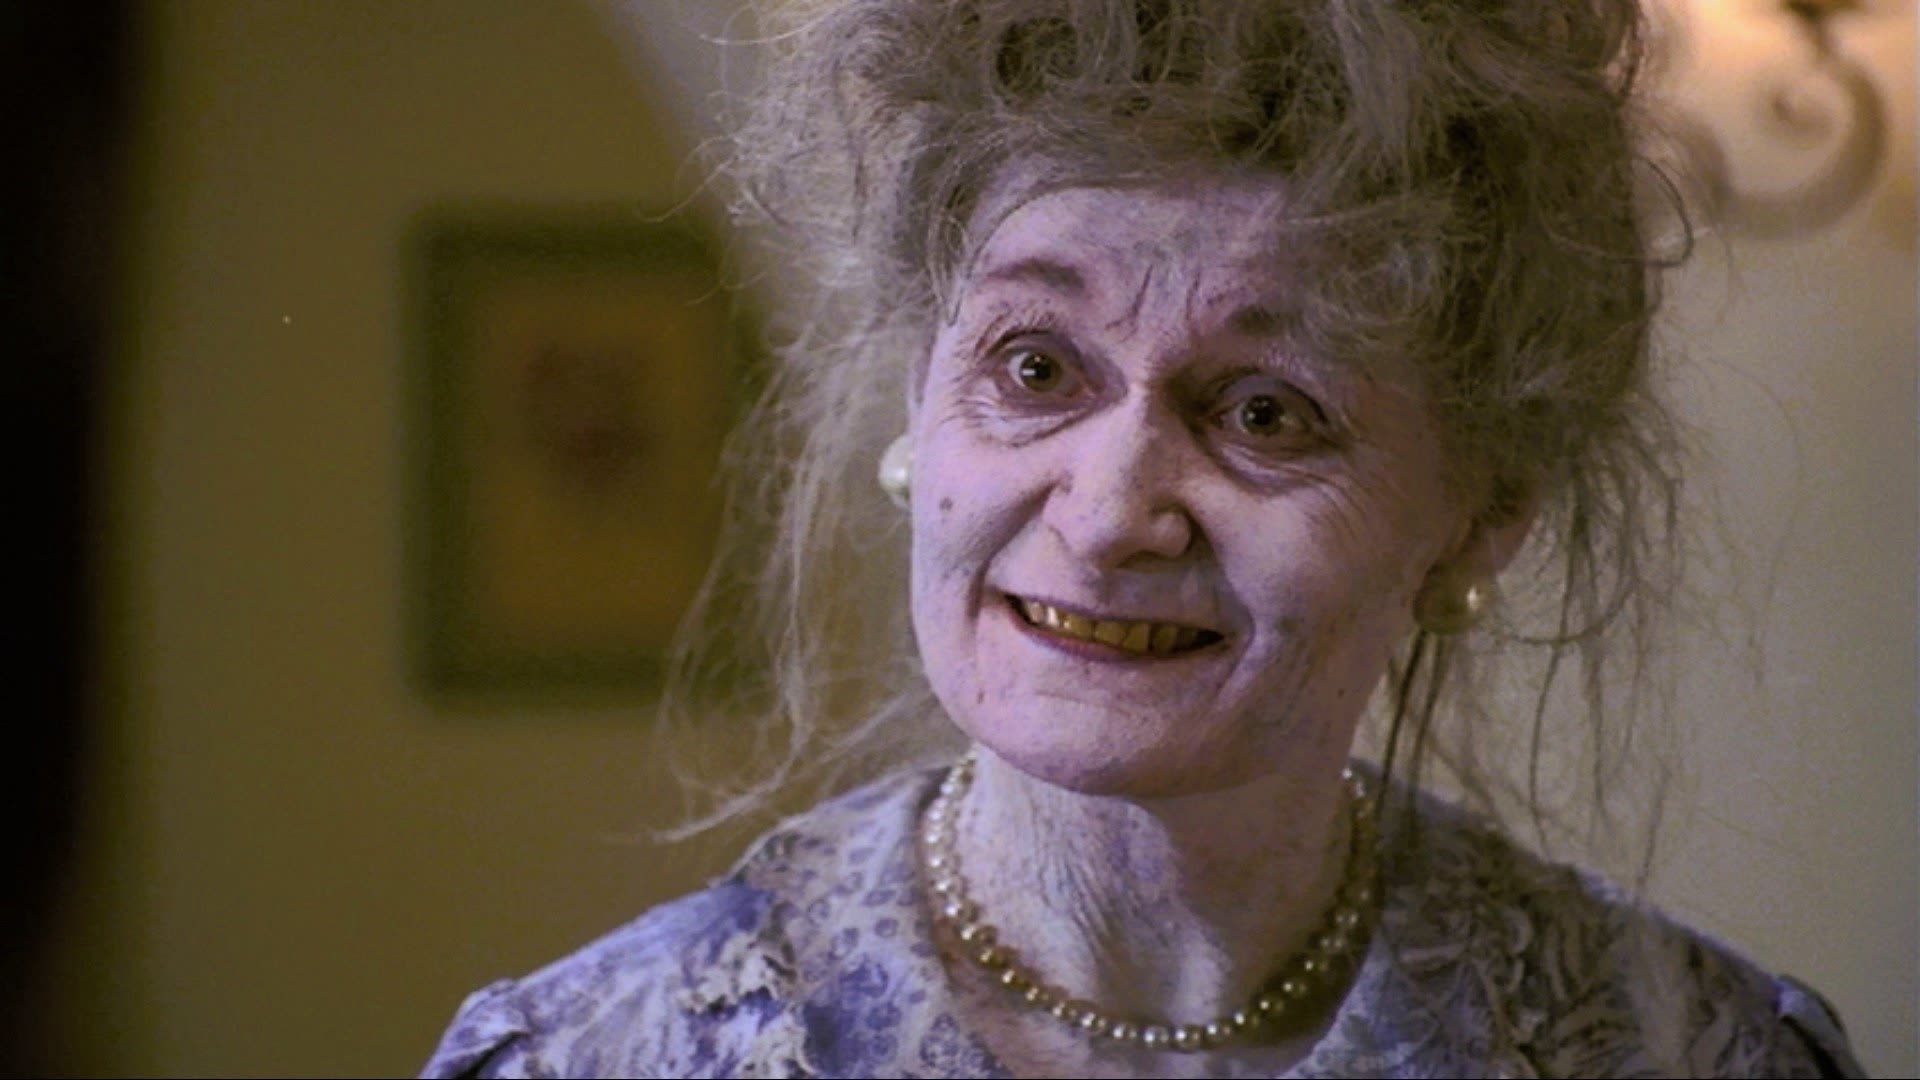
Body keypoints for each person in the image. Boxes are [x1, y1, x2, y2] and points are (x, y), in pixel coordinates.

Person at [422, 1, 1867, 1076]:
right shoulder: (594, 1059)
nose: (1111, 513)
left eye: (1265, 411)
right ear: (921, 400)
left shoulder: (1694, 1054)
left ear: (1478, 523)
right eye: (1036, 367)